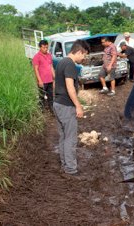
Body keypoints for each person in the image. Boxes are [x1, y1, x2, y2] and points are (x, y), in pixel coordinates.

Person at [53, 40, 90, 175]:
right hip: (66, 106)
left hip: (58, 103)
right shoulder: (70, 65)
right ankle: (70, 168)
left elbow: (55, 83)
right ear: (79, 51)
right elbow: (70, 87)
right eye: (84, 55)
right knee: (70, 138)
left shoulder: (61, 62)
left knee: (63, 137)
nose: (84, 58)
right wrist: (78, 106)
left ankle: (65, 165)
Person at [32, 39, 55, 110]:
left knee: (51, 96)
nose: (45, 49)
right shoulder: (36, 57)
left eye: (46, 47)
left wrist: (54, 78)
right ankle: (41, 111)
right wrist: (39, 80)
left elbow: (51, 67)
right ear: (40, 47)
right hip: (42, 81)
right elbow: (36, 69)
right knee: (41, 97)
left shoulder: (49, 55)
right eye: (44, 47)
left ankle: (52, 110)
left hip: (50, 80)